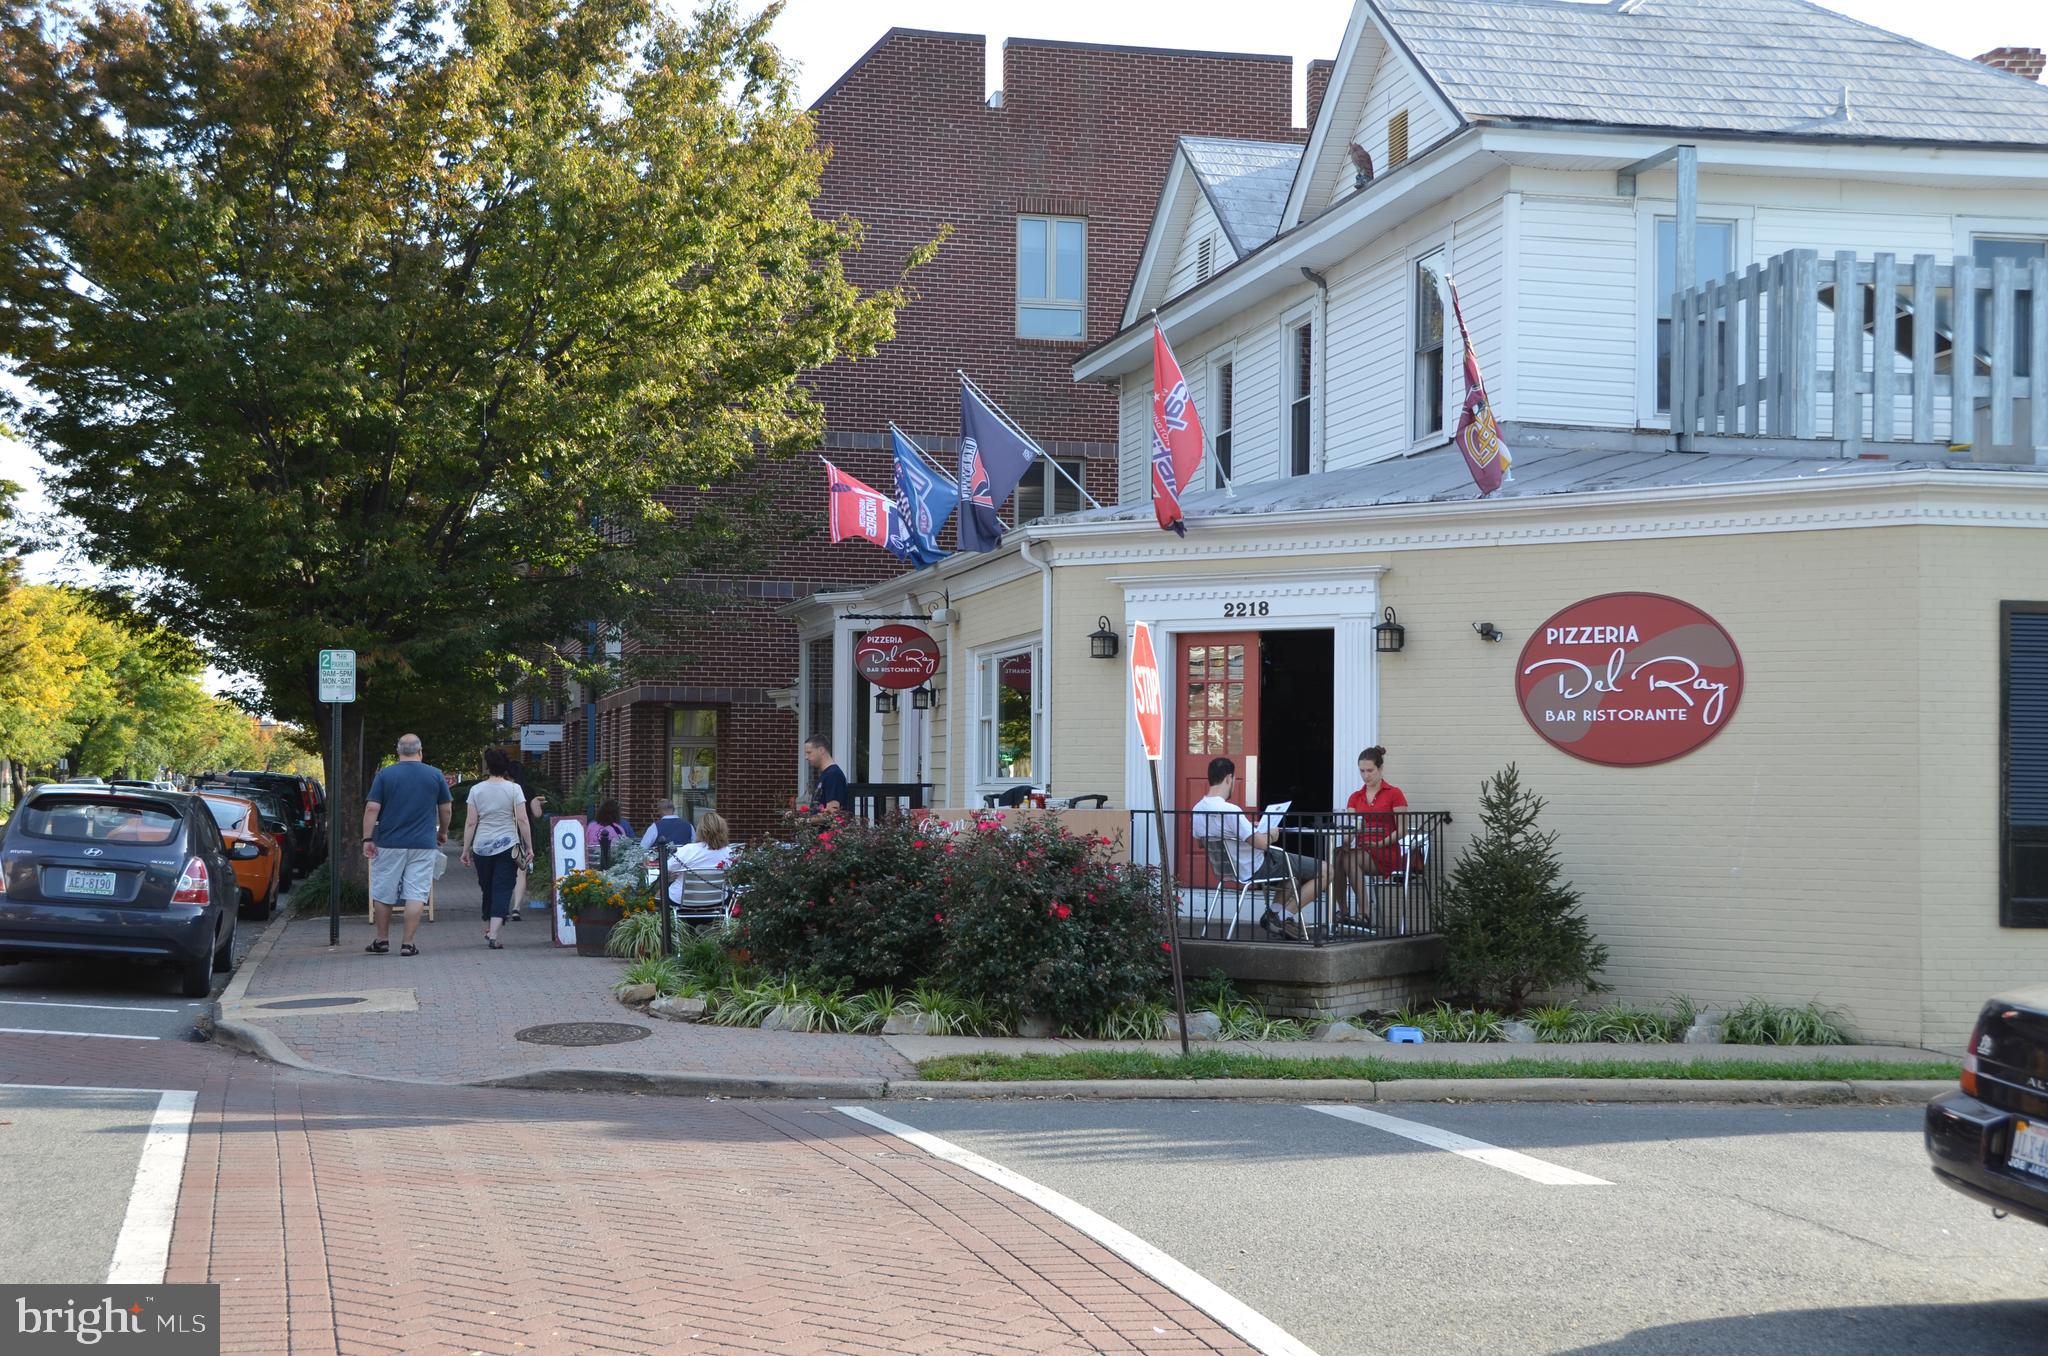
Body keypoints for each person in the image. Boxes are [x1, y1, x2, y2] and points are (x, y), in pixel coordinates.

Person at [1190, 756, 1329, 940]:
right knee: (1327, 870)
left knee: (1292, 878)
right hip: (1255, 866)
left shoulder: (1197, 809)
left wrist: (1244, 833)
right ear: (1229, 778)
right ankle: (1283, 916)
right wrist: (1272, 834)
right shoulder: (1230, 811)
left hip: (1229, 869)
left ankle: (1272, 916)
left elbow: (1201, 842)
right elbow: (1262, 844)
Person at [362, 734, 453, 956]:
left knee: (384, 891)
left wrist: (367, 838)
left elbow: (372, 808)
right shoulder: (435, 775)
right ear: (420, 751)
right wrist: (442, 832)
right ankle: (407, 944)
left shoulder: (385, 775)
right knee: (416, 893)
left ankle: (382, 940)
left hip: (389, 843)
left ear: (398, 752)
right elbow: (446, 808)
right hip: (423, 844)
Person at [461, 748, 533, 950]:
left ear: (488, 766)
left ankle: (491, 927)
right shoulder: (514, 789)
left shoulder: (476, 790)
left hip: (481, 847)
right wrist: (529, 846)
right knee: (502, 887)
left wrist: (466, 849)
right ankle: (493, 931)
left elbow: (471, 822)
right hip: (508, 846)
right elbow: (522, 819)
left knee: (487, 888)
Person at [1336, 746, 1409, 930]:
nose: (1366, 775)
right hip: (1363, 850)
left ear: (1380, 769)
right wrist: (1346, 841)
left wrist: (1379, 843)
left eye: (1370, 771)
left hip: (1386, 850)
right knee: (1337, 856)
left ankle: (1364, 914)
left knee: (1350, 858)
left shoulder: (1394, 793)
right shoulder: (1355, 797)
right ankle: (1343, 911)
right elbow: (1353, 827)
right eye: (1362, 771)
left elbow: (1402, 830)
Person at [665, 811, 739, 907]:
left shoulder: (688, 850)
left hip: (681, 902)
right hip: (717, 902)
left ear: (700, 830)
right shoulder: (728, 852)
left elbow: (666, 868)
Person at [804, 735, 847, 815]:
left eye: (809, 753)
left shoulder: (833, 775)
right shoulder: (827, 774)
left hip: (826, 828)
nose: (806, 757)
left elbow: (832, 812)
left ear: (821, 750)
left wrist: (806, 821)